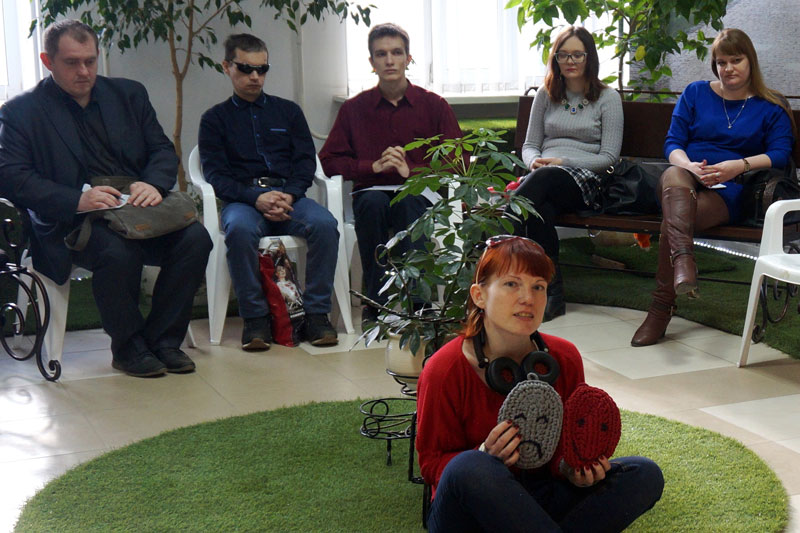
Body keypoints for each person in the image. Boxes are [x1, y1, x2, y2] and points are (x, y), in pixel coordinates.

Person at [0, 19, 212, 378]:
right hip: (71, 221)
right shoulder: (21, 112)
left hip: (136, 208)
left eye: (90, 61)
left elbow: (161, 150)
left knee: (195, 239)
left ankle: (163, 341)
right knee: (117, 251)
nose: (84, 71)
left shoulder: (129, 95)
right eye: (72, 63)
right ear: (48, 61)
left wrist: (153, 184)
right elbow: (11, 177)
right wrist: (77, 200)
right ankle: (128, 348)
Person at [416, 235, 663, 532]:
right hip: (471, 510)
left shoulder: (564, 357)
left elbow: (566, 445)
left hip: (540, 497)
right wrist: (485, 455)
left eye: (538, 287)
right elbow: (432, 464)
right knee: (469, 466)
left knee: (644, 473)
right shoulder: (444, 369)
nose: (528, 298)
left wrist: (571, 469)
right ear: (479, 295)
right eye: (512, 284)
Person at [631, 28, 795, 347]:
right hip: (684, 177)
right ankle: (683, 264)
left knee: (674, 220)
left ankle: (661, 308)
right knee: (675, 177)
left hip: (731, 188)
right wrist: (689, 165)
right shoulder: (695, 93)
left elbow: (779, 153)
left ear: (750, 61)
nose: (728, 68)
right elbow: (673, 143)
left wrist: (739, 165)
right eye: (721, 62)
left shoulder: (770, 105)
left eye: (736, 60)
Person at [199, 33, 340, 350]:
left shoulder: (288, 112)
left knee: (325, 225)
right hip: (244, 200)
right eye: (246, 68)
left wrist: (289, 195)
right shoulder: (214, 120)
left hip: (289, 198)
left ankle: (316, 315)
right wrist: (256, 198)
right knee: (239, 230)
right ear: (226, 67)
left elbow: (305, 163)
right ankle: (256, 319)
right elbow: (216, 176)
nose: (255, 76)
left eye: (262, 69)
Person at [319, 22, 462, 327]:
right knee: (372, 206)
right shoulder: (354, 109)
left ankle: (420, 304)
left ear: (408, 58)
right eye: (381, 54)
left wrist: (413, 171)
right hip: (371, 192)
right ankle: (376, 303)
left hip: (419, 192)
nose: (389, 60)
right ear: (371, 62)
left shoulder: (433, 105)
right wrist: (370, 167)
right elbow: (329, 160)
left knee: (410, 204)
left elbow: (456, 159)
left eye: (396, 53)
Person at [511, 26, 623, 322]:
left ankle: (503, 236)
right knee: (540, 209)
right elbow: (530, 145)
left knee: (540, 186)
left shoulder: (608, 98)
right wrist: (534, 162)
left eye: (577, 55)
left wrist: (564, 161)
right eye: (563, 55)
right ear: (555, 59)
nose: (570, 61)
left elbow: (608, 158)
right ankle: (552, 293)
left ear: (589, 58)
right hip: (542, 179)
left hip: (586, 180)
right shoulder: (545, 95)